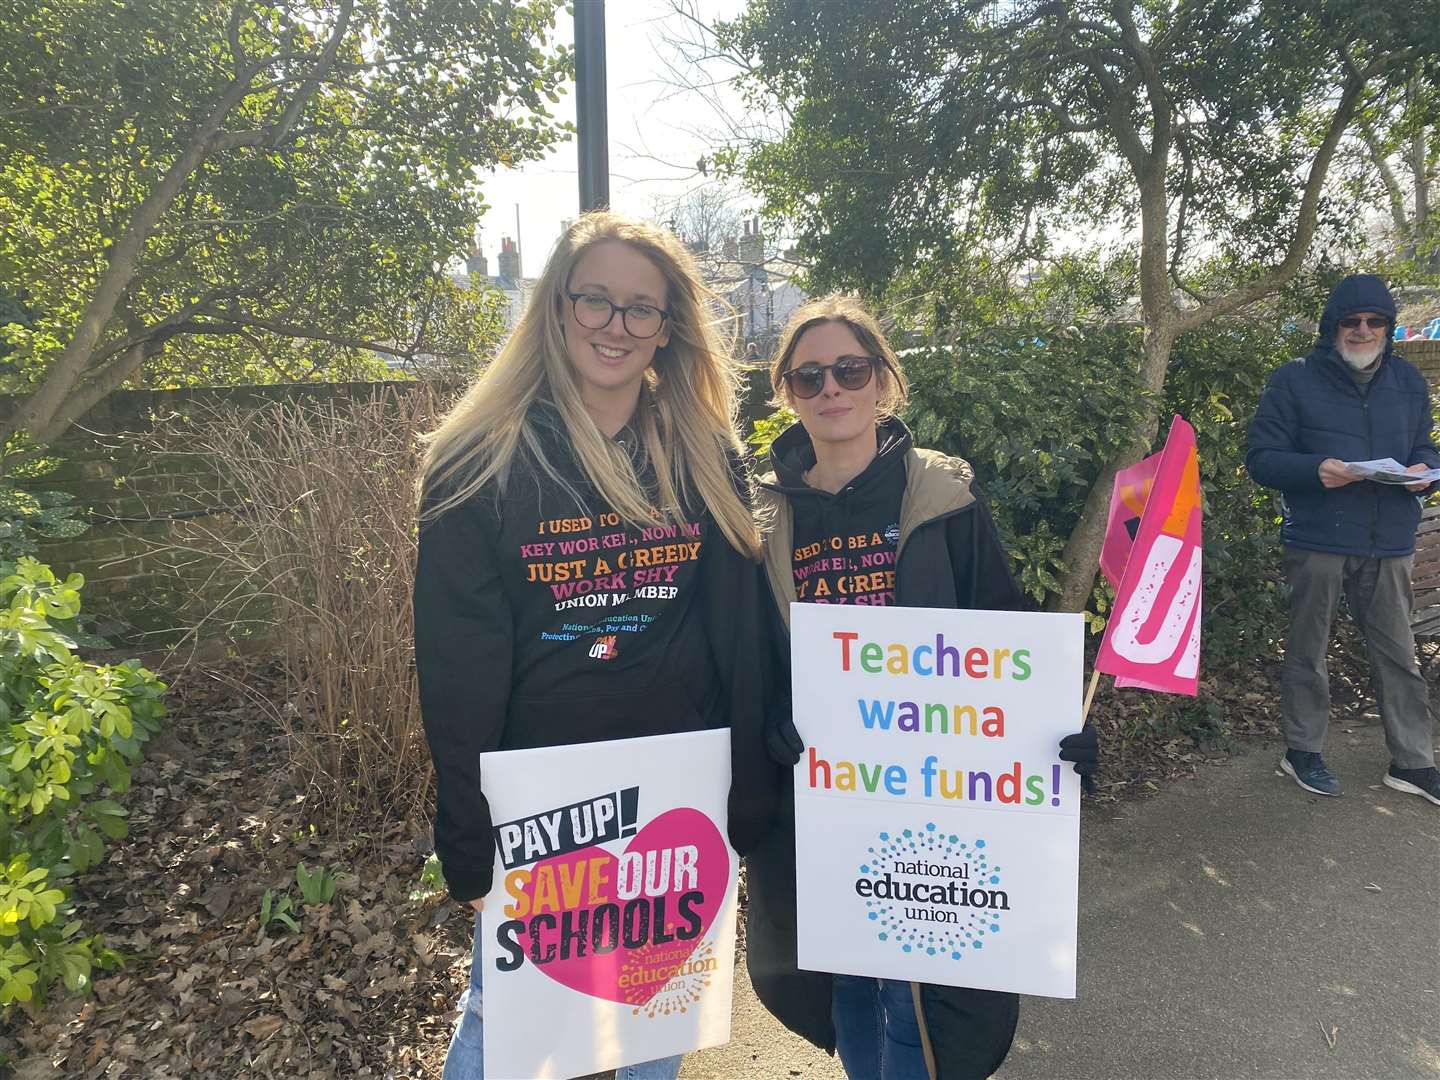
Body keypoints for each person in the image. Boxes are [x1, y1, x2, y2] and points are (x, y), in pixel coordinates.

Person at [413, 212, 779, 1079]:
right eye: (596, 301)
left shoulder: (703, 455)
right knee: (505, 1034)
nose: (616, 326)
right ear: (557, 307)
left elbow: (738, 638)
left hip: (676, 797)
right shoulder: (479, 460)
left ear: (667, 330)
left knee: (651, 1034)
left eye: (641, 309)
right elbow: (458, 669)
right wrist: (469, 836)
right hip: (542, 804)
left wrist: (749, 791)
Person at [744, 295, 1099, 1079]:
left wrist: (1053, 727)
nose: (831, 388)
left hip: (937, 791)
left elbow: (1001, 624)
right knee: (847, 978)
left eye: (850, 369)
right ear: (788, 394)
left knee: (922, 993)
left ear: (882, 381)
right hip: (817, 792)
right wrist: (766, 719)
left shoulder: (944, 498)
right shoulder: (757, 515)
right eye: (809, 377)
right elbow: (745, 653)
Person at [1246, 273, 1440, 806]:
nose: (1362, 330)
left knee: (1400, 655)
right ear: (1332, 325)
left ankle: (1414, 762)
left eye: (1374, 321)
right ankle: (1302, 750)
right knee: (1308, 651)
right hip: (1319, 539)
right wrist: (1316, 470)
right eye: (1351, 321)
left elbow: (1425, 445)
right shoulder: (1293, 380)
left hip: (1389, 539)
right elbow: (1262, 460)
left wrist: (1428, 467)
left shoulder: (1407, 382)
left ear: (1389, 327)